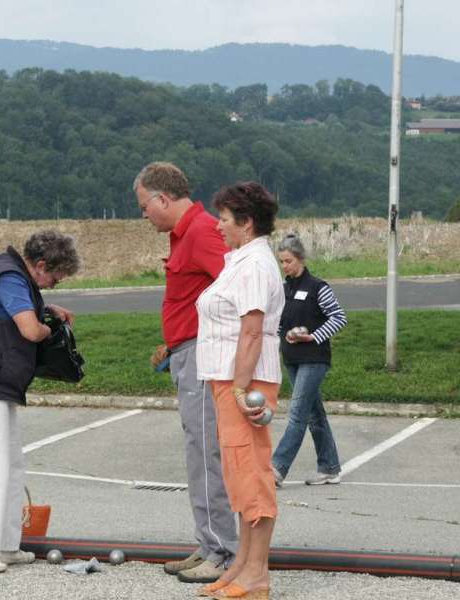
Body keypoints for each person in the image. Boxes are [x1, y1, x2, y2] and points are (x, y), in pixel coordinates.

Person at [0, 230, 79, 573]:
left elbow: (17, 308)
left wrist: (44, 306)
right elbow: (29, 330)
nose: (54, 284)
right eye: (54, 277)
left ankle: (3, 544)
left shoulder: (12, 275)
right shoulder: (9, 277)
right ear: (39, 265)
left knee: (9, 465)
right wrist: (49, 328)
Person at [134, 162, 238, 584]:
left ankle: (224, 552)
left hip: (202, 356)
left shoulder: (201, 232)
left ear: (162, 198)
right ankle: (211, 543)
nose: (143, 214)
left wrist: (200, 340)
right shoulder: (188, 233)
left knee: (206, 452)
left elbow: (236, 289)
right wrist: (175, 340)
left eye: (144, 206)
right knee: (199, 451)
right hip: (187, 351)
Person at [194, 181, 284, 600]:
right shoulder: (241, 260)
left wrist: (241, 387)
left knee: (252, 475)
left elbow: (251, 331)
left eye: (225, 219)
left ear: (246, 223)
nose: (218, 226)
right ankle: (242, 566)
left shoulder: (254, 264)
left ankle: (257, 575)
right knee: (239, 477)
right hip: (229, 379)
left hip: (243, 380)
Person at [272, 234, 347, 487]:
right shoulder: (284, 290)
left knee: (297, 414)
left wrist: (313, 336)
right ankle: (329, 467)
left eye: (289, 261)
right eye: (281, 262)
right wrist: (287, 333)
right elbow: (279, 323)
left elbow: (338, 317)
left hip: (314, 359)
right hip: (291, 358)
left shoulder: (318, 287)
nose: (285, 266)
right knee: (315, 414)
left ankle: (276, 469)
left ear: (301, 259)